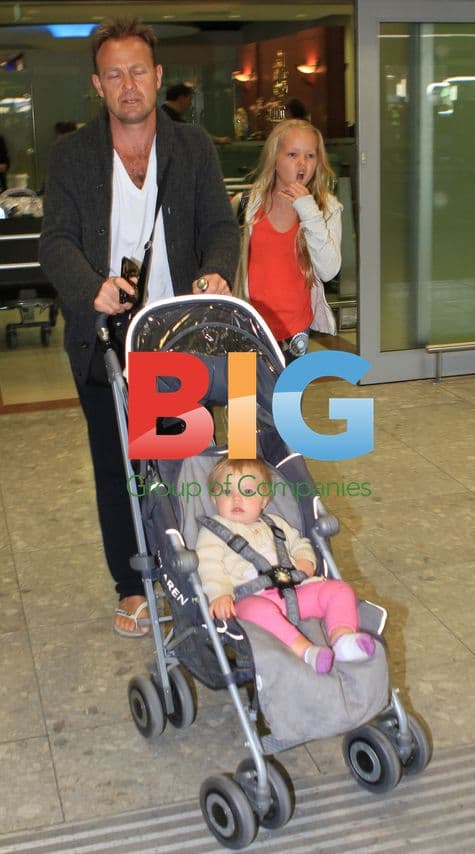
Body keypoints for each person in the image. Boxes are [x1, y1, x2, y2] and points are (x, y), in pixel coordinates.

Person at [39, 17, 239, 637]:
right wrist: (88, 288)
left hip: (174, 332)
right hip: (105, 336)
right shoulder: (73, 157)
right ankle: (133, 585)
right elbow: (56, 242)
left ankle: (198, 567)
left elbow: (220, 227)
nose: (128, 85)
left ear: (157, 78)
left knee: (182, 457)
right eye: (114, 74)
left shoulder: (192, 147)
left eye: (138, 71)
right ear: (97, 85)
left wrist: (214, 272)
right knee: (116, 463)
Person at [196, 458, 376, 674]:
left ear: (264, 501)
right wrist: (220, 594)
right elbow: (208, 565)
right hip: (251, 598)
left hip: (295, 591)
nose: (236, 498)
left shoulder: (276, 524)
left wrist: (305, 561)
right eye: (227, 491)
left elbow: (300, 544)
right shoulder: (213, 532)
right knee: (255, 611)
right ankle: (306, 651)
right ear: (215, 499)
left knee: (339, 590)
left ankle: (343, 639)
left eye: (247, 491)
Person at [233, 119, 342, 362]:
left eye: (310, 155)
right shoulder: (246, 205)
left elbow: (328, 271)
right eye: (292, 154)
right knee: (243, 400)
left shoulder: (326, 209)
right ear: (275, 158)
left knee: (287, 400)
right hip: (245, 329)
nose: (302, 163)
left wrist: (308, 210)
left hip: (295, 333)